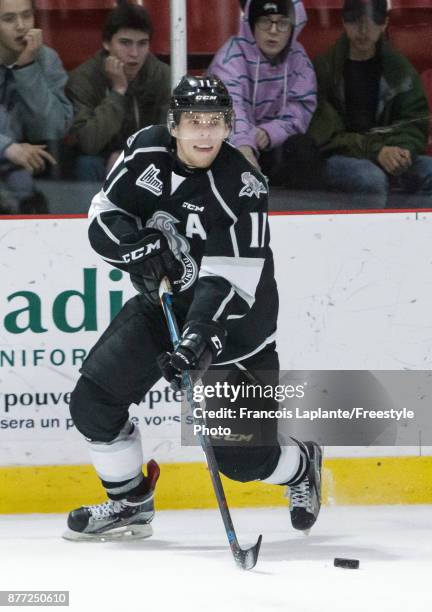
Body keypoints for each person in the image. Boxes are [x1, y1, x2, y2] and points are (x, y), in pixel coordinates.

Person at [63, 75, 322, 541]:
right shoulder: (145, 150)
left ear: (228, 126)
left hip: (234, 331)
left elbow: (230, 280)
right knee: (93, 403)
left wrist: (198, 338)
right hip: (162, 309)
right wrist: (133, 247)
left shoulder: (242, 186)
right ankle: (130, 504)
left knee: (244, 463)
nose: (204, 132)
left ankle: (301, 464)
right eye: (193, 121)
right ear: (174, 124)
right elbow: (104, 213)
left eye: (216, 122)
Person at [308, 0, 432, 209]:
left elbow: (413, 122)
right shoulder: (324, 69)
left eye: (373, 20)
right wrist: (378, 151)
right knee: (370, 179)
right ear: (344, 23)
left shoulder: (399, 70)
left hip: (387, 152)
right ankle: (370, 239)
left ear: (384, 24)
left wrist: (402, 150)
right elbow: (326, 135)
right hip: (340, 157)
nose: (364, 30)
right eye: (355, 21)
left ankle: (405, 233)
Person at [208, 0, 319, 189]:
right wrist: (244, 145)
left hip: (275, 145)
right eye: (265, 21)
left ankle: (301, 214)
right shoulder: (229, 57)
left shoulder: (299, 59)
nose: (273, 31)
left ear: (293, 27)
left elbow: (300, 107)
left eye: (282, 23)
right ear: (251, 24)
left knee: (303, 148)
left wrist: (271, 132)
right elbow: (229, 106)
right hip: (232, 143)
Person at [66, 3, 170, 183]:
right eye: (125, 43)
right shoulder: (83, 79)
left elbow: (169, 136)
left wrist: (128, 156)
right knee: (86, 163)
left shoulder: (162, 76)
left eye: (142, 44)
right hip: (101, 160)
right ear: (106, 43)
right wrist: (118, 91)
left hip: (147, 158)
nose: (134, 53)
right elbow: (88, 144)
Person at [0, 0, 72, 213]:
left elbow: (52, 129)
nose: (21, 26)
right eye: (9, 19)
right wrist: (7, 148)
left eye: (27, 15)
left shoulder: (45, 59)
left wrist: (27, 67)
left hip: (26, 172)